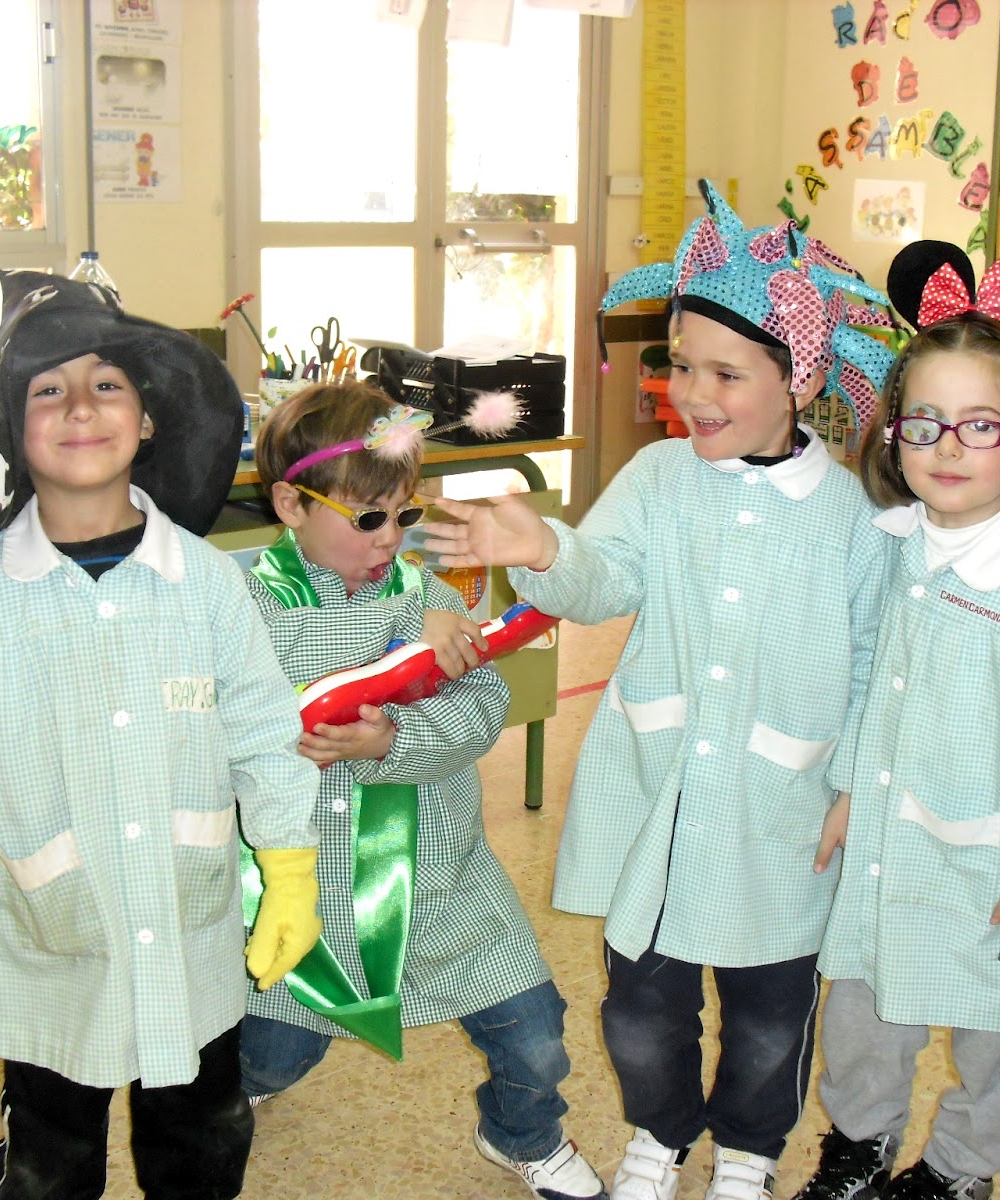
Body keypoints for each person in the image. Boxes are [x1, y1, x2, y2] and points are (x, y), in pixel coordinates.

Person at [425, 180, 897, 1200]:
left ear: (802, 376)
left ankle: (750, 1152)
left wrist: (855, 781)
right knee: (641, 1002)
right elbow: (601, 581)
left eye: (726, 372)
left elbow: (872, 662)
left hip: (784, 808)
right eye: (681, 364)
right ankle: (660, 1131)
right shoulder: (657, 478)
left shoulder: (852, 518)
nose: (693, 392)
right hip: (658, 797)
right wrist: (543, 547)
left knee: (770, 1011)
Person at [0, 270, 323, 1200]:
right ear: (12, 429)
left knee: (200, 1136)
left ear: (149, 417)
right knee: (50, 1150)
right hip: (48, 926)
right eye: (49, 389)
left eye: (107, 383)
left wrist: (290, 869)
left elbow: (263, 732)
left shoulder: (208, 583)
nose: (80, 406)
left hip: (187, 918)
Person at [239, 381, 609, 1200]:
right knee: (273, 1052)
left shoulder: (434, 599)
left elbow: (482, 710)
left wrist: (393, 739)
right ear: (290, 506)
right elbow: (266, 695)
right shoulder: (247, 606)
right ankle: (235, 1092)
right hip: (307, 895)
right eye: (367, 518)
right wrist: (403, 636)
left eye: (403, 515)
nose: (389, 539)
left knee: (536, 1036)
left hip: (445, 881)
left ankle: (521, 1133)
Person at [783, 241, 1000, 1200]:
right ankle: (858, 1143)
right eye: (922, 424)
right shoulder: (891, 542)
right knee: (862, 1011)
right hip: (885, 840)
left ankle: (958, 1169)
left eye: (979, 427)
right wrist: (846, 787)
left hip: (995, 864)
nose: (947, 448)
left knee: (995, 1034)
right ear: (890, 437)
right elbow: (866, 675)